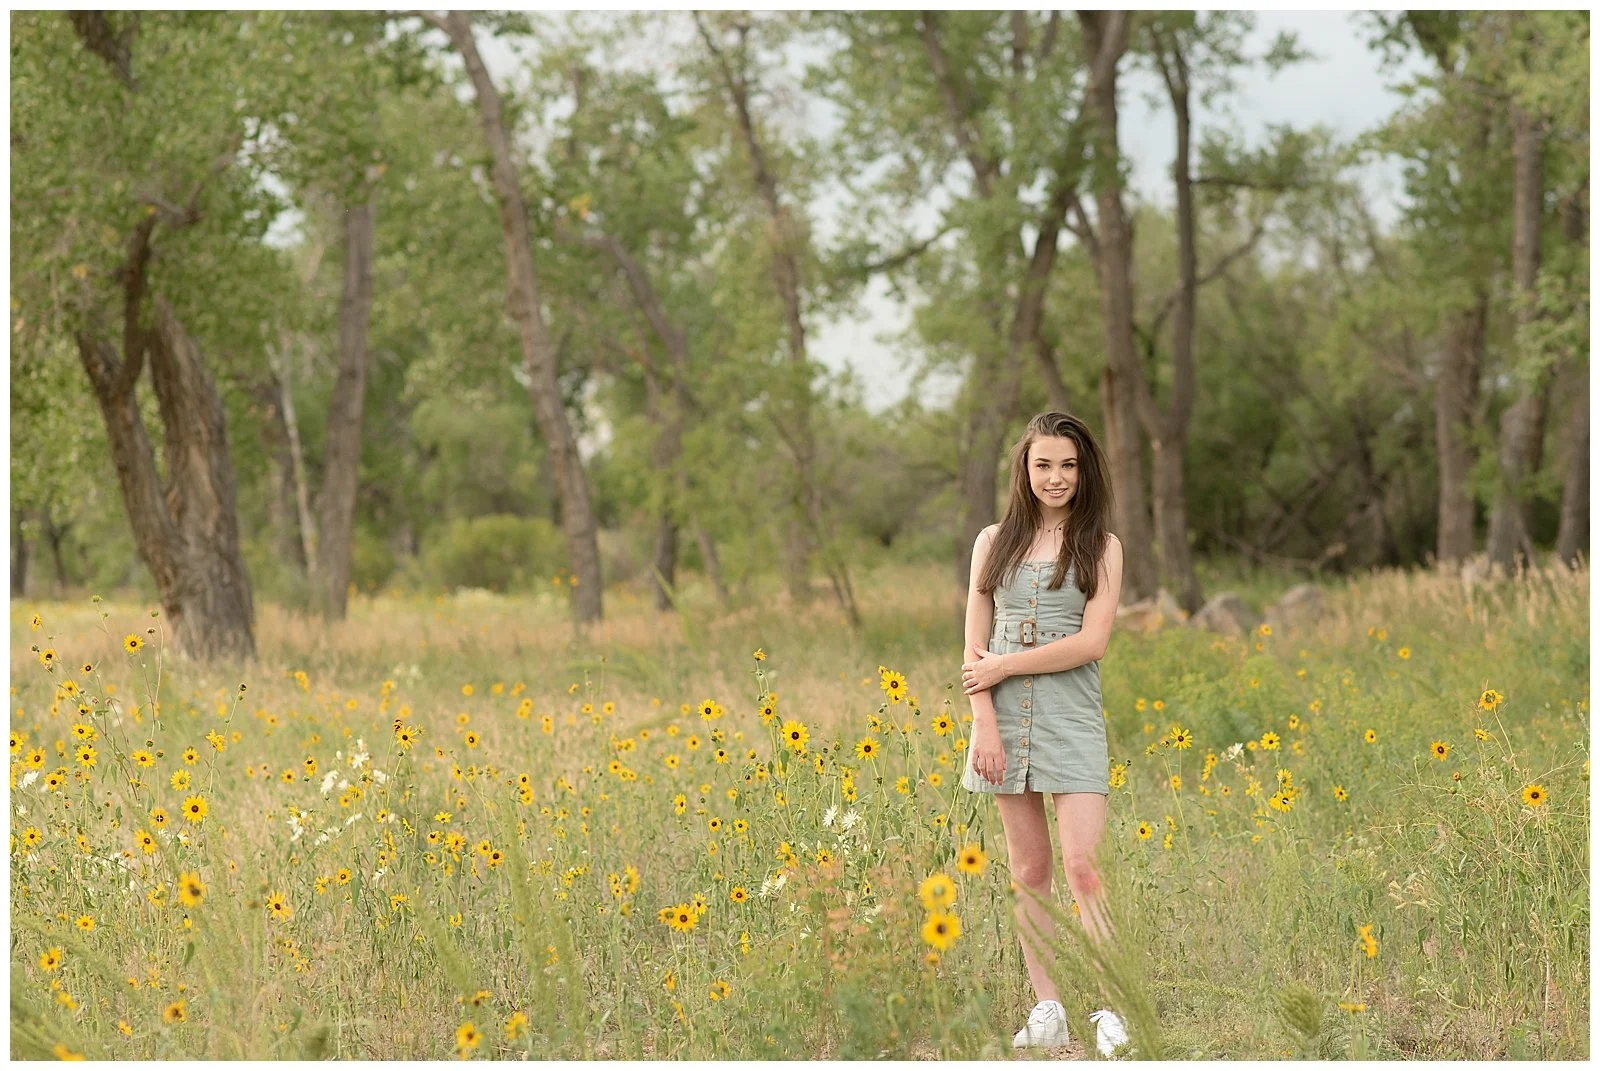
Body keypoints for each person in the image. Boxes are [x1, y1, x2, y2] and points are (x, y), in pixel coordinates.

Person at [958, 411, 1130, 1055]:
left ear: (1084, 472)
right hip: (1000, 720)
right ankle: (1048, 1008)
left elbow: (1091, 643)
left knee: (1085, 869)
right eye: (1043, 465)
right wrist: (985, 725)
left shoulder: (1102, 545)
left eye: (1068, 465)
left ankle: (1114, 1011)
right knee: (1029, 868)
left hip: (1072, 718)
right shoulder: (992, 541)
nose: (1055, 478)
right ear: (1024, 470)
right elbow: (975, 644)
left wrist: (1006, 663)